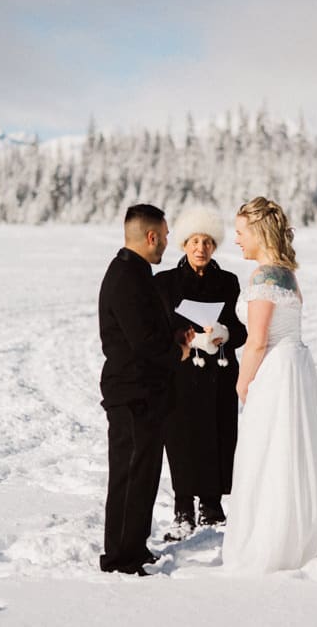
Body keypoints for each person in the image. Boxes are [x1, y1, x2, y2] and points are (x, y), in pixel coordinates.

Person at [221, 197, 317, 573]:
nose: (236, 240)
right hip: (297, 367)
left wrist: (240, 385)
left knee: (267, 451)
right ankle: (298, 532)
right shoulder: (288, 273)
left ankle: (271, 540)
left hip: (275, 369)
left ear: (257, 231)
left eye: (240, 232)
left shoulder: (263, 277)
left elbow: (256, 341)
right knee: (293, 451)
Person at [97, 204, 193, 576]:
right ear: (151, 236)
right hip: (131, 393)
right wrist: (179, 350)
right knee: (130, 474)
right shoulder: (126, 277)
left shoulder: (137, 273)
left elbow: (148, 331)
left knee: (144, 474)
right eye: (166, 236)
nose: (168, 243)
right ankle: (120, 558)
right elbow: (143, 343)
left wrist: (174, 335)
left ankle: (134, 546)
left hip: (145, 392)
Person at [153, 206, 248, 541]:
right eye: (194, 241)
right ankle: (182, 510)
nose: (201, 248)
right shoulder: (164, 283)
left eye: (207, 241)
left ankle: (212, 505)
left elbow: (241, 330)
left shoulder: (228, 282)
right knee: (181, 438)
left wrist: (224, 333)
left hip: (219, 374)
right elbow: (156, 330)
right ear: (183, 244)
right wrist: (181, 338)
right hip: (182, 373)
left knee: (219, 435)